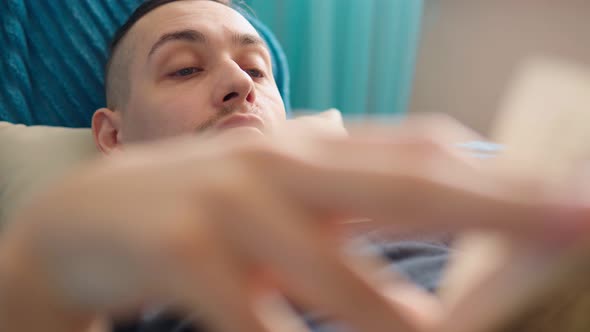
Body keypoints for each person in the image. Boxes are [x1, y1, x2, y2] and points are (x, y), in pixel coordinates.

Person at [1, 1, 589, 332]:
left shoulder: (430, 197)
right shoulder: (111, 279)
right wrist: (32, 276)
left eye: (257, 70)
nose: (238, 83)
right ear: (112, 133)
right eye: (183, 68)